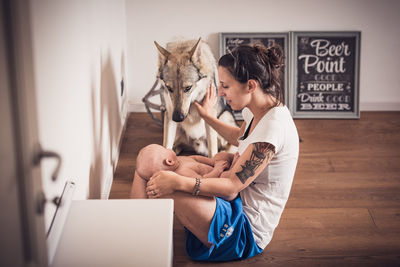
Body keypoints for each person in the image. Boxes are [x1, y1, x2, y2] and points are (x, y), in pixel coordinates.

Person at [130, 43, 299, 262]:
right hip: (232, 198)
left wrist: (178, 183)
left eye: (225, 86)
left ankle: (136, 244)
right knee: (151, 158)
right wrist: (208, 116)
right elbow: (241, 136)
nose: (220, 92)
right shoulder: (260, 109)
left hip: (244, 229)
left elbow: (231, 187)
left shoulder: (273, 129)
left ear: (250, 85)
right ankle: (137, 230)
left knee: (158, 175)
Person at [131, 144, 232, 198]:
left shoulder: (179, 160)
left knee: (221, 156)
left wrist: (212, 161)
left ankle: (233, 167)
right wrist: (217, 170)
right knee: (226, 176)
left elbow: (196, 158)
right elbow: (204, 180)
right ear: (169, 161)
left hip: (213, 169)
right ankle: (233, 174)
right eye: (166, 149)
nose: (170, 148)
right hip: (215, 184)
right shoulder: (182, 173)